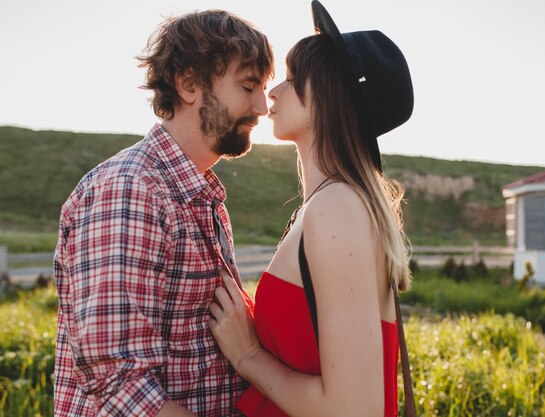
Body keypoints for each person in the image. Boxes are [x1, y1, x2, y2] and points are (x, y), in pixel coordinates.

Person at [53, 10, 273, 417]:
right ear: (189, 83)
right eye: (248, 86)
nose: (262, 106)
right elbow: (120, 384)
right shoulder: (130, 191)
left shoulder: (197, 194)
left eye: (263, 88)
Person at [208, 1, 414, 416]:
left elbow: (355, 410)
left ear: (328, 96)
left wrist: (248, 356)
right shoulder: (326, 207)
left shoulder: (337, 209)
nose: (273, 93)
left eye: (291, 78)